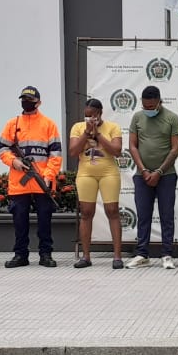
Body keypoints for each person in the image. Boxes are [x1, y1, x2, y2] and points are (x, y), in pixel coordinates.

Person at [0, 86, 62, 269]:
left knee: (44, 221)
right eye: (24, 99)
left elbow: (56, 155)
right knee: (19, 221)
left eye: (30, 100)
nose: (26, 103)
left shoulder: (49, 124)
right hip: (19, 182)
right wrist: (14, 161)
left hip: (42, 182)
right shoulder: (12, 124)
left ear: (38, 103)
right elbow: (3, 148)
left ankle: (45, 254)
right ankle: (20, 255)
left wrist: (48, 176)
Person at [126, 85, 178, 269]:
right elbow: (132, 146)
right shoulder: (137, 117)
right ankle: (142, 254)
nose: (148, 109)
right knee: (143, 215)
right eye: (145, 106)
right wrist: (143, 170)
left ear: (159, 102)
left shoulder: (172, 118)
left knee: (166, 215)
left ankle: (167, 254)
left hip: (166, 175)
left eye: (151, 106)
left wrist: (159, 171)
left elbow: (176, 149)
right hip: (141, 175)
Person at [69, 98, 124, 269]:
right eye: (86, 116)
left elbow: (116, 151)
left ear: (100, 113)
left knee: (112, 210)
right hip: (86, 173)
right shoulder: (78, 127)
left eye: (92, 115)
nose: (89, 119)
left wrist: (98, 134)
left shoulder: (112, 127)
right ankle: (86, 256)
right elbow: (73, 152)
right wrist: (86, 133)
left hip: (108, 173)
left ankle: (117, 256)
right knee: (86, 212)